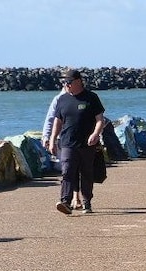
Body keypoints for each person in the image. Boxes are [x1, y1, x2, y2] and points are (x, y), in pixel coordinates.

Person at [48, 69, 105, 215]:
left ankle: (87, 202)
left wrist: (95, 134)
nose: (66, 85)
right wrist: (52, 140)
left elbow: (100, 120)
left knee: (86, 173)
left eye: (68, 82)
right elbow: (57, 122)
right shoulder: (62, 100)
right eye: (64, 82)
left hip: (87, 143)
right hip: (67, 142)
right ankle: (65, 201)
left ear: (78, 81)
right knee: (67, 170)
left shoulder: (91, 98)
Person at [41, 84, 83, 210]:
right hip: (63, 140)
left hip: (80, 139)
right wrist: (46, 137)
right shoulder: (59, 99)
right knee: (68, 169)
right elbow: (50, 119)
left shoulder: (84, 97)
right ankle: (67, 199)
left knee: (78, 169)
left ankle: (77, 197)